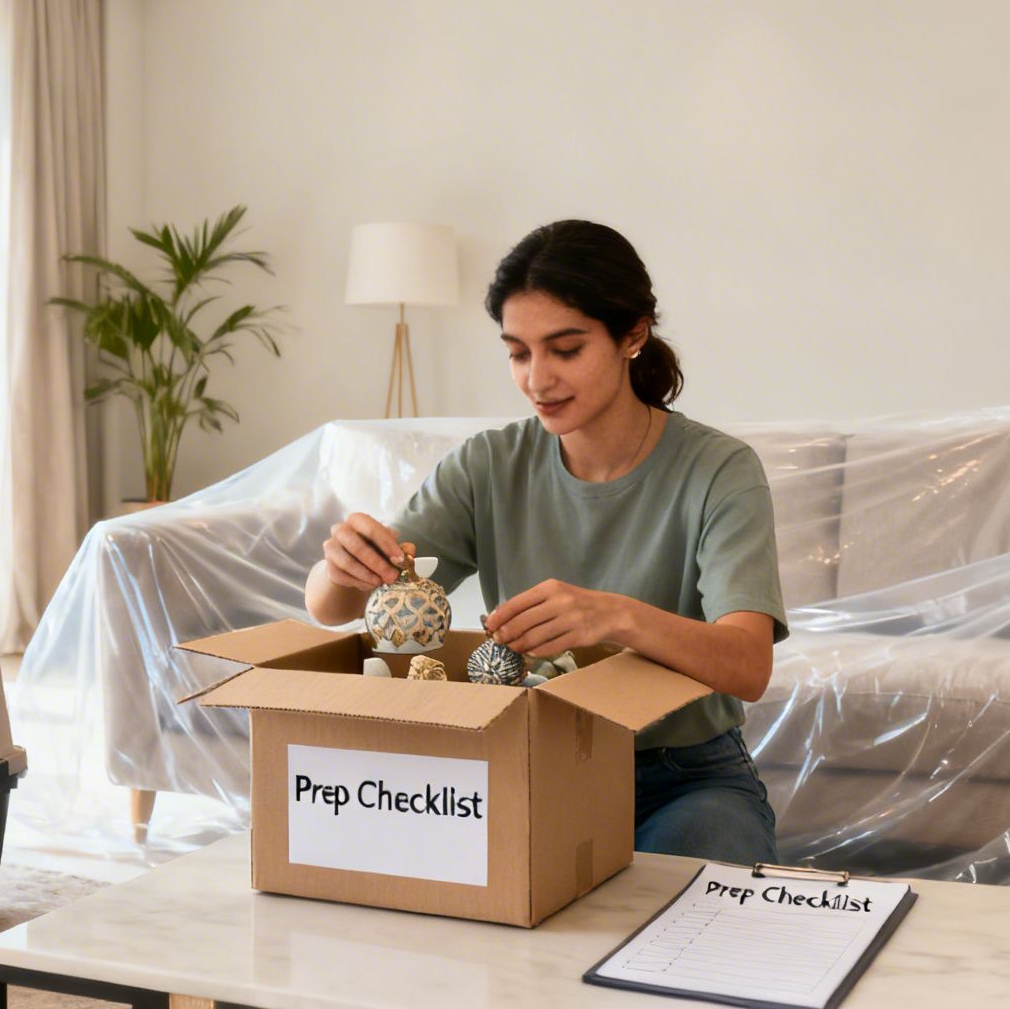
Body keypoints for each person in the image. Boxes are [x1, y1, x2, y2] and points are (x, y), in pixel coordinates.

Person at [304, 219, 787, 865]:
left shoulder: (718, 470)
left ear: (632, 335)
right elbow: (332, 609)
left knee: (679, 903)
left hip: (685, 778)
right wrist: (342, 566)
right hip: (524, 764)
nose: (537, 379)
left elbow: (747, 665)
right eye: (518, 352)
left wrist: (613, 615)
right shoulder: (488, 467)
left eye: (565, 349)